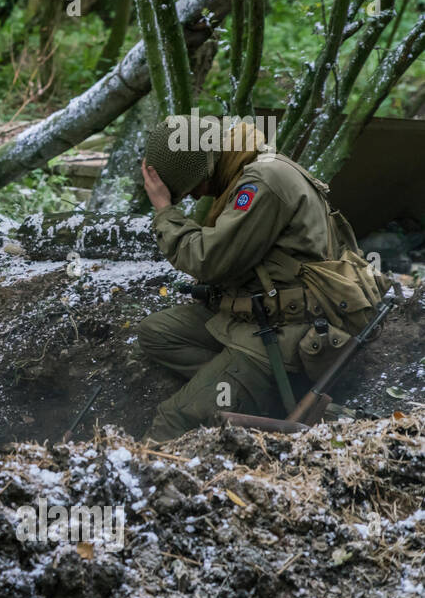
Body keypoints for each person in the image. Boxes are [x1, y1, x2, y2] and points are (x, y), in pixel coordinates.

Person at [137, 116, 363, 440]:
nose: (199, 197)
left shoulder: (262, 182)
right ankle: (246, 392)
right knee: (157, 333)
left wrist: (164, 210)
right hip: (259, 312)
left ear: (205, 171)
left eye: (194, 188)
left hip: (285, 332)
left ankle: (250, 389)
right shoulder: (253, 166)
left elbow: (208, 259)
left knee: (174, 419)